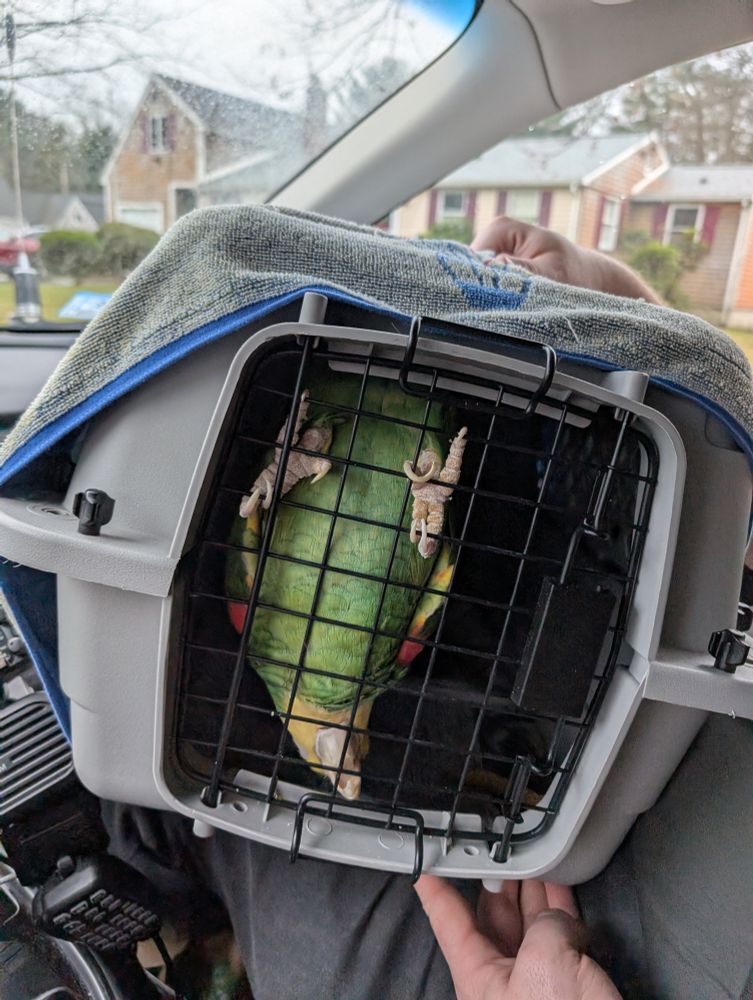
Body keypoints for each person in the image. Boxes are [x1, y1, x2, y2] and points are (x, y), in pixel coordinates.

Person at [102, 218, 753, 1000]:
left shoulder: (276, 660)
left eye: (335, 744)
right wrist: (620, 308)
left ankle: (155, 919)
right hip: (580, 888)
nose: (346, 754)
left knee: (154, 797)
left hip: (557, 888)